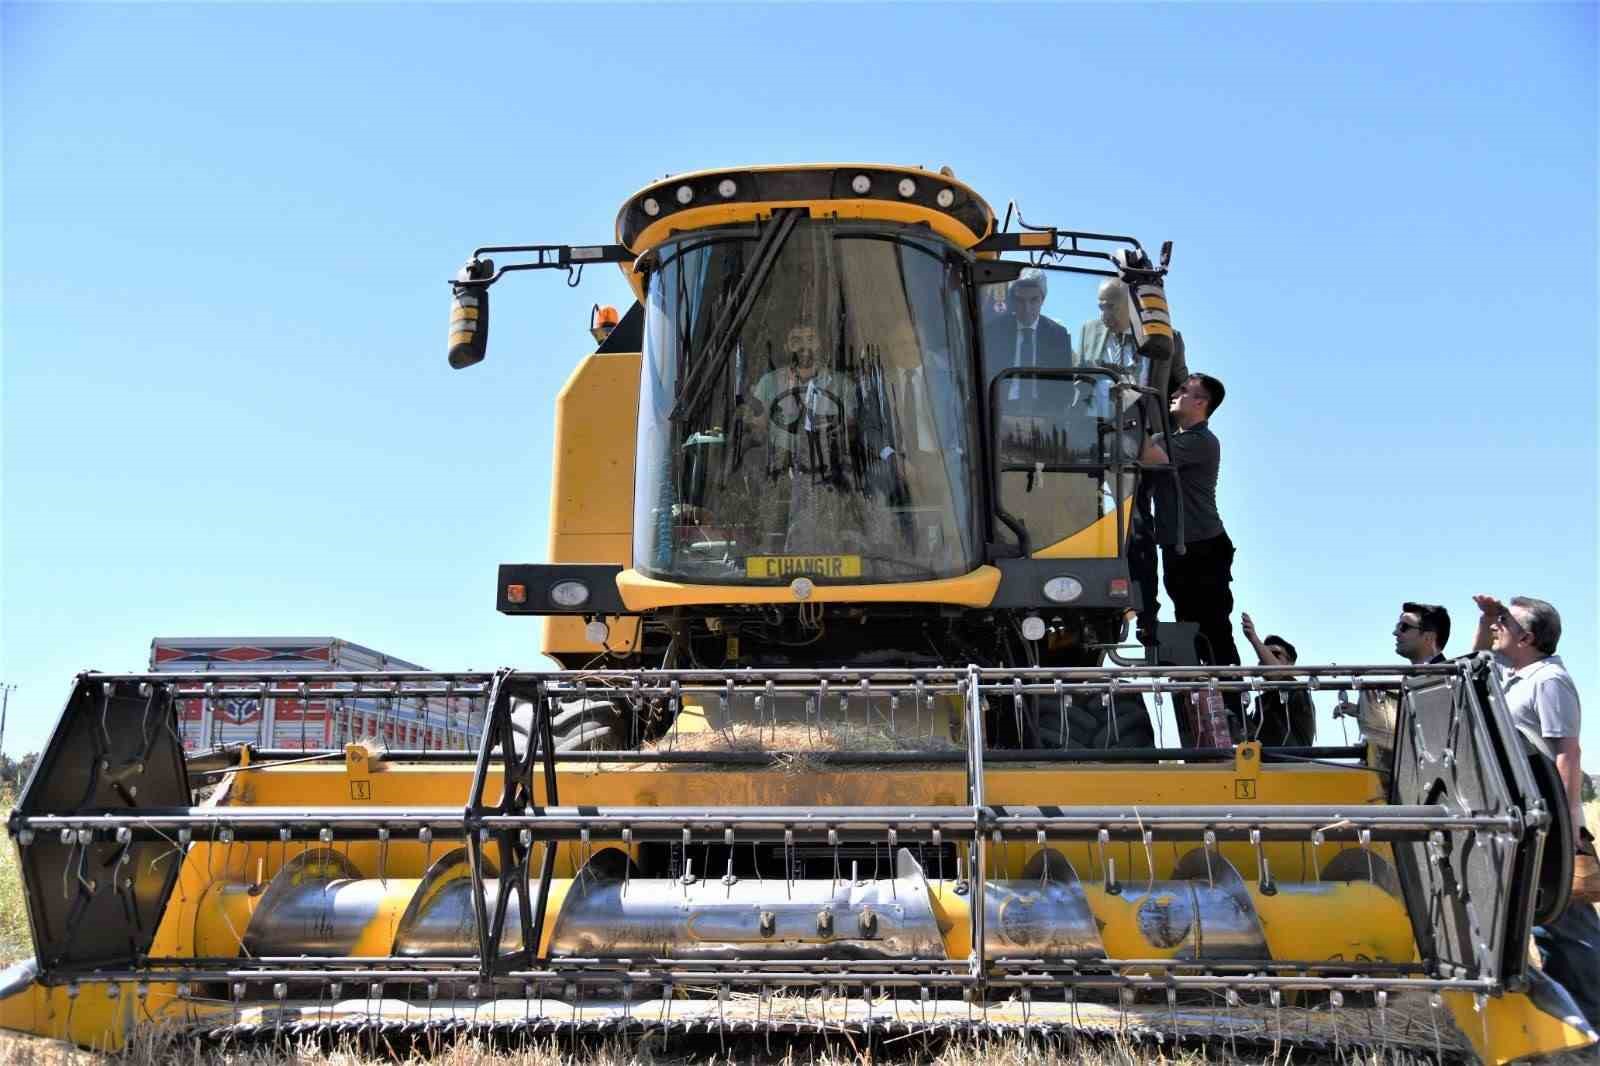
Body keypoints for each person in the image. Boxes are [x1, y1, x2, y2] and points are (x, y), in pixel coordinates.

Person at [1471, 594, 1600, 1026]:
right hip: (1526, 823)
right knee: (1545, 927)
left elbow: (1567, 753)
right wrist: (1487, 616)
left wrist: (1568, 827)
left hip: (1550, 825)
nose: (1497, 626)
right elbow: (1477, 659)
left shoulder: (1548, 681)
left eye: (1505, 621)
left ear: (1526, 636)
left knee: (1571, 933)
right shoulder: (1515, 676)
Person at [1077, 279, 1190, 645]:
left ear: (1129, 306)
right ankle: (1119, 605)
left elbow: (1178, 386)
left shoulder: (1165, 338)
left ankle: (1150, 613)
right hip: (1103, 442)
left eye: (1110, 306)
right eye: (1100, 306)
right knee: (1116, 525)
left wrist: (1160, 434)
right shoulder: (1087, 333)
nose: (1103, 313)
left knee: (1148, 528)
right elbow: (1077, 384)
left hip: (1148, 446)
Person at [1141, 374, 1241, 680]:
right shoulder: (1176, 439)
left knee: (1213, 630)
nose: (1175, 393)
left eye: (1184, 390)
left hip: (1203, 547)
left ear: (1201, 403)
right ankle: (1202, 703)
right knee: (1187, 625)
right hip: (1179, 548)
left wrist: (1134, 415)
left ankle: (1229, 702)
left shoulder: (1201, 442)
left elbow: (1147, 456)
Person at [981, 268, 1072, 403]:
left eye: (1034, 300)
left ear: (1043, 300)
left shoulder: (1058, 335)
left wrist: (1048, 419)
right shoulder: (994, 331)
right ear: (1012, 300)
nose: (1027, 308)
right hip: (1000, 411)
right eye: (1020, 300)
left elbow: (1064, 387)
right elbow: (984, 380)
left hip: (1045, 412)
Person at [1240, 613, 1315, 746]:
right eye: (1264, 654)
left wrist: (1254, 639)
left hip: (1292, 764)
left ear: (1290, 664)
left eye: (1275, 655)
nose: (1265, 658)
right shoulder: (1260, 702)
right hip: (1264, 765)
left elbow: (1277, 673)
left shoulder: (1296, 689)